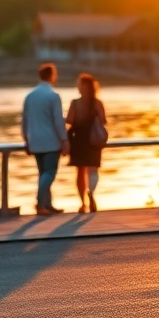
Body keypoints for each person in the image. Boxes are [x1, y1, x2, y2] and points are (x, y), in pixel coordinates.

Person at [21, 63, 68, 215]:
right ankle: (40, 203)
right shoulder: (53, 96)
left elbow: (24, 120)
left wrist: (26, 139)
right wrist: (65, 139)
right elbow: (58, 121)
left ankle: (47, 204)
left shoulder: (30, 96)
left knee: (42, 174)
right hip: (50, 141)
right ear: (52, 75)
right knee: (49, 173)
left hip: (34, 140)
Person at [67, 73, 108, 213]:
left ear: (82, 87)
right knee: (93, 169)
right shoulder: (97, 103)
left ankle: (83, 203)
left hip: (79, 139)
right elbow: (103, 121)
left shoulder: (75, 103)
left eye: (79, 84)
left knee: (80, 172)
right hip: (94, 140)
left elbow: (70, 120)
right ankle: (91, 193)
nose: (78, 87)